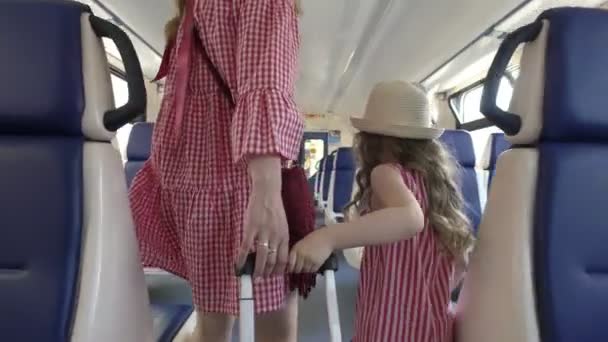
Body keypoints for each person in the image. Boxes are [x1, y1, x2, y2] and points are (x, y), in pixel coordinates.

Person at [129, 0, 303, 341]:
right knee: (268, 323)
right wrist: (267, 191)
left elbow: (257, 88)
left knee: (212, 326)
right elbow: (263, 81)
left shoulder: (193, 11)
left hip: (199, 188)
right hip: (232, 188)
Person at [288, 81, 475, 341]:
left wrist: (325, 237)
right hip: (432, 324)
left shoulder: (385, 173)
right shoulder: (435, 185)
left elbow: (411, 219)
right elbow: (461, 263)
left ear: (369, 140)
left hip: (389, 324)